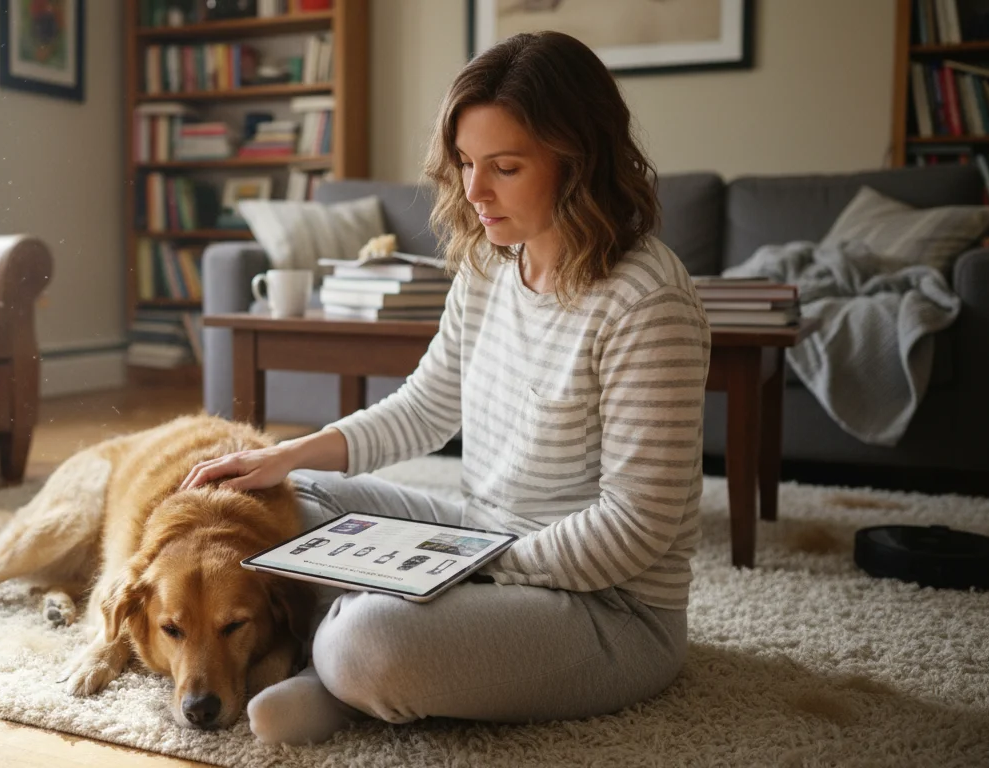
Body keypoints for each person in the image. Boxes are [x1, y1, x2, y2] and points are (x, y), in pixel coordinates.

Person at [180, 30, 710, 746]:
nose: (475, 191)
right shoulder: (492, 265)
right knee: (283, 503)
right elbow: (426, 406)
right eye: (464, 162)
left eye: (506, 166)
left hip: (607, 609)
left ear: (580, 162)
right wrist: (288, 455)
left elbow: (634, 528)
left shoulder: (648, 302)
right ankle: (353, 660)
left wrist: (473, 572)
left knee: (370, 643)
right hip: (483, 534)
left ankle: (338, 668)